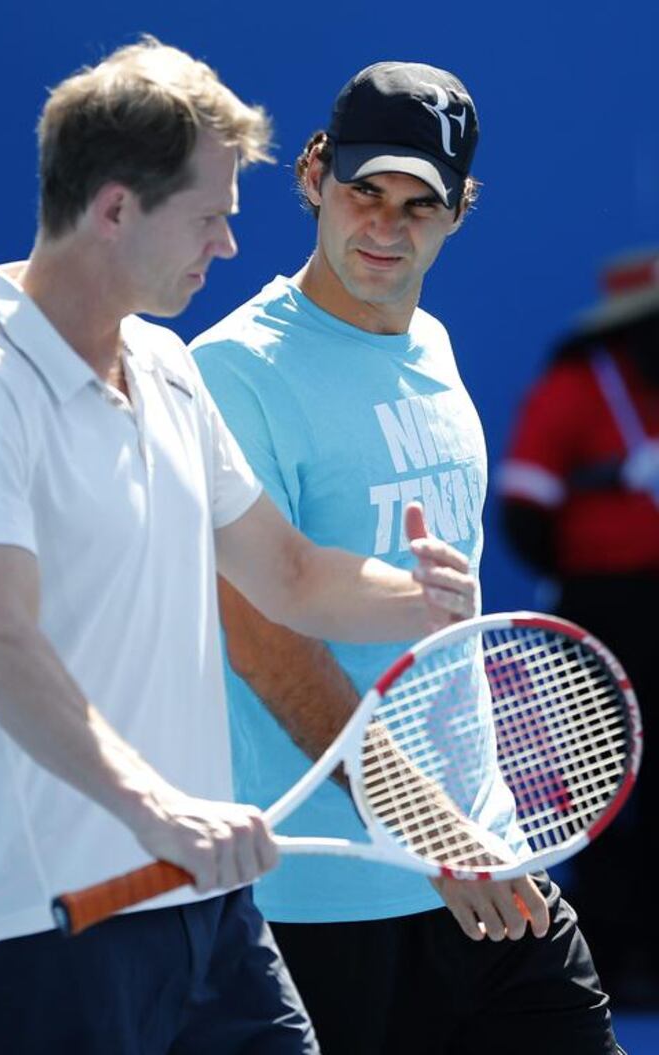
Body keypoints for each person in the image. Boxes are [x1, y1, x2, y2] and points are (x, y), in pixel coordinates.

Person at [0, 40, 487, 1055]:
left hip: (209, 915)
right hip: (42, 924)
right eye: (209, 218)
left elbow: (288, 573)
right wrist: (159, 810)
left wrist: (415, 596)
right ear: (116, 208)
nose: (227, 248)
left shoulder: (164, 366)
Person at [192, 61, 625, 1054]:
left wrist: (469, 835)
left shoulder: (429, 343)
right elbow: (267, 650)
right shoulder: (228, 373)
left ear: (457, 213)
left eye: (418, 204)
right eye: (362, 192)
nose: (384, 227)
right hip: (327, 905)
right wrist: (432, 835)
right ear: (310, 174)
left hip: (488, 864)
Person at [498, 247, 659, 1007]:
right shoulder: (572, 391)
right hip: (601, 620)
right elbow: (524, 515)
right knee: (604, 793)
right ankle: (613, 959)